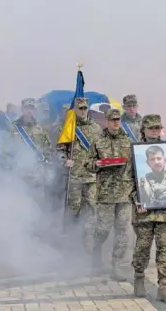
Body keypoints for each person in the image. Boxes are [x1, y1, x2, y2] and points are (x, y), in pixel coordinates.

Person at [131, 114, 166, 304]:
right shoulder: (136, 153)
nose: (155, 131)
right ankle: (139, 277)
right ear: (144, 130)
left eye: (157, 128)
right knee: (143, 247)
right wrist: (136, 199)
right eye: (151, 128)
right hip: (144, 212)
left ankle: (164, 287)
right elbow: (126, 182)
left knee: (165, 249)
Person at [86, 108, 133, 281]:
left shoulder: (128, 140)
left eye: (118, 119)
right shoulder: (98, 140)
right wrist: (96, 164)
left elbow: (135, 164)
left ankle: (117, 266)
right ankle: (96, 254)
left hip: (124, 194)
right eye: (112, 120)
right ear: (106, 121)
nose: (115, 122)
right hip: (105, 194)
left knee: (122, 230)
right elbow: (87, 164)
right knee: (103, 229)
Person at [57, 98, 102, 253]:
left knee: (91, 207)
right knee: (74, 208)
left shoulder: (96, 128)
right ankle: (70, 239)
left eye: (85, 108)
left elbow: (100, 149)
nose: (83, 111)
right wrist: (64, 160)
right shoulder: (69, 127)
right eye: (80, 108)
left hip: (91, 176)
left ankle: (88, 239)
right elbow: (59, 149)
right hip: (74, 175)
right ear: (74, 109)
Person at [8, 98, 54, 197]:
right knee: (19, 201)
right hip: (19, 173)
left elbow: (48, 148)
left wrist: (48, 165)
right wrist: (8, 167)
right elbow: (6, 149)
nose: (29, 111)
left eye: (31, 108)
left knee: (37, 203)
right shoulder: (13, 128)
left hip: (37, 174)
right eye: (27, 108)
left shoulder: (40, 128)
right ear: (22, 109)